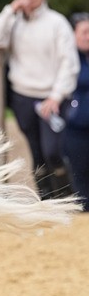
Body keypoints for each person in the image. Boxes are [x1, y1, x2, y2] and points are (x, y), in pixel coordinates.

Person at [0, 0, 79, 199]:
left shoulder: (57, 23)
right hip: (23, 97)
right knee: (36, 152)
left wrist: (56, 95)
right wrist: (11, 10)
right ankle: (46, 199)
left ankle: (66, 197)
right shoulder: (14, 22)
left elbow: (69, 63)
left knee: (52, 151)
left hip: (51, 97)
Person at [64, 14, 89, 210]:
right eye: (84, 32)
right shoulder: (67, 60)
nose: (88, 36)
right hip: (76, 127)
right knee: (80, 173)